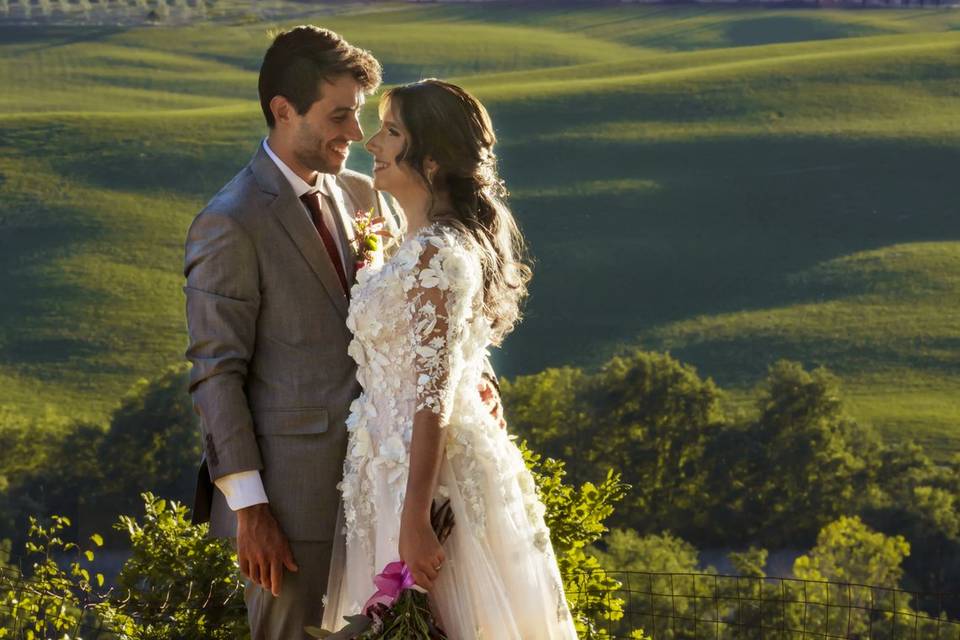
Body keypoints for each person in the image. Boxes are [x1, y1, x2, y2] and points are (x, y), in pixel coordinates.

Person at [183, 27, 504, 639]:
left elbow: (426, 308)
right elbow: (215, 373)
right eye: (339, 116)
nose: (356, 135)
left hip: (383, 490)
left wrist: (474, 379)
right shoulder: (230, 222)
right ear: (283, 111)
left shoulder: (364, 194)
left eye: (359, 115)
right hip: (290, 503)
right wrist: (251, 511)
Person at [321, 79, 579, 639]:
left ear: (432, 161)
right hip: (381, 471)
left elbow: (431, 392)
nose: (372, 143)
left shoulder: (439, 251)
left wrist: (415, 518)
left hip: (431, 482)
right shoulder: (409, 245)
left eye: (391, 133)